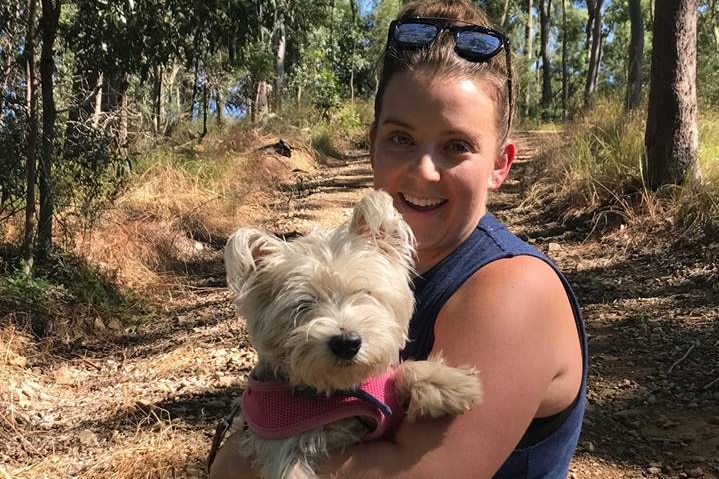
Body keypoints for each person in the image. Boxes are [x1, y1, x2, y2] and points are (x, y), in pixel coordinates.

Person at [210, 0, 588, 477]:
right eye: (401, 139)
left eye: (456, 146)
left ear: (500, 164)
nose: (423, 170)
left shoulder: (514, 293)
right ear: (372, 144)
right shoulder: (383, 266)